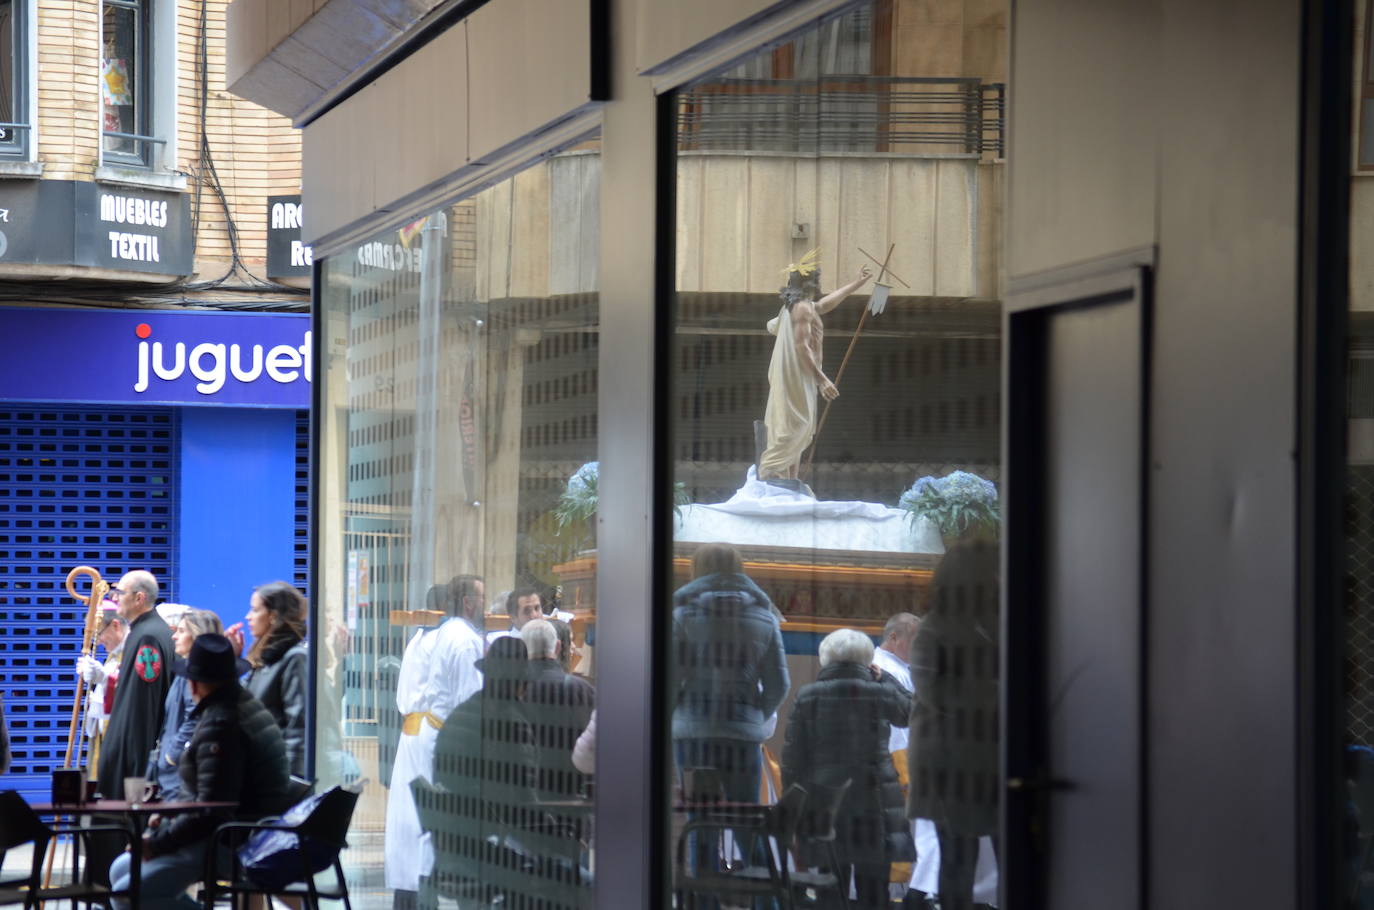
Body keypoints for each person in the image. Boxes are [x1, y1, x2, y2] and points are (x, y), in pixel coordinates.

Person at [109, 633, 291, 910]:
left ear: (195, 684)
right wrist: (169, 815)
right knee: (121, 870)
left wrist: (157, 844)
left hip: (231, 839)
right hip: (246, 830)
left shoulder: (221, 723)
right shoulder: (238, 705)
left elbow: (210, 811)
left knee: (126, 894)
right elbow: (207, 796)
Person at [672, 542, 789, 881]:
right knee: (748, 822)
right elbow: (779, 684)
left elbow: (671, 679)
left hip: (693, 734)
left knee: (700, 823)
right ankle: (769, 905)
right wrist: (754, 714)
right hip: (742, 738)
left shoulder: (681, 615)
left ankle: (703, 904)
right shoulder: (764, 616)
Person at [782, 628, 915, 910]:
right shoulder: (879, 691)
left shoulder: (808, 696)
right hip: (875, 798)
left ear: (825, 658)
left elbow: (794, 758)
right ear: (868, 660)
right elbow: (911, 712)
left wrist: (794, 807)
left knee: (831, 885)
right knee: (875, 889)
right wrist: (886, 678)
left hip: (827, 801)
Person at [907, 540, 1000, 910]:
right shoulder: (934, 628)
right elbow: (936, 693)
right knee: (957, 858)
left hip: (985, 756)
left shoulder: (996, 621)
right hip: (949, 761)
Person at [386, 575, 486, 909]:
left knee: (409, 828)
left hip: (415, 732)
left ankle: (412, 894)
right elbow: (465, 698)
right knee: (423, 830)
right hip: (432, 735)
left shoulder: (419, 639)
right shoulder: (448, 639)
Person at [431, 636, 538, 897]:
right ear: (520, 682)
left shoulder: (462, 714)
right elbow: (525, 798)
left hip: (455, 846)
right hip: (490, 849)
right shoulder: (512, 722)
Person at [88, 570, 175, 886]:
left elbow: (140, 709)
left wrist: (130, 767)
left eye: (119, 592)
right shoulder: (145, 632)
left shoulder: (147, 637)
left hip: (131, 765)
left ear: (139, 598)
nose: (114, 598)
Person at [758, 253, 871, 484]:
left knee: (795, 427)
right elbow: (801, 347)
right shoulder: (801, 309)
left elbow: (823, 305)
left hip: (800, 378)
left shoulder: (799, 307)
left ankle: (791, 480)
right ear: (812, 282)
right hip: (797, 378)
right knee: (796, 426)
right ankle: (771, 475)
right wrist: (822, 379)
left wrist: (856, 284)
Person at [146, 609, 223, 800]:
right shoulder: (185, 670)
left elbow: (194, 716)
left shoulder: (196, 676)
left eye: (181, 631)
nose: (174, 636)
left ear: (197, 635)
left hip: (179, 774)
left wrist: (171, 755)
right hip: (174, 771)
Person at [234, 581, 309, 777]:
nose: (248, 617)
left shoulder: (294, 658)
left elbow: (298, 728)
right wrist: (233, 660)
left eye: (255, 610)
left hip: (276, 779)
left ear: (274, 616)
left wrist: (290, 784)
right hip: (256, 772)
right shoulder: (265, 659)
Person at [77, 609, 126, 775]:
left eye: (99, 634)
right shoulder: (113, 653)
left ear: (115, 625)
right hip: (101, 737)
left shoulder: (134, 650)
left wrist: (104, 680)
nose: (97, 642)